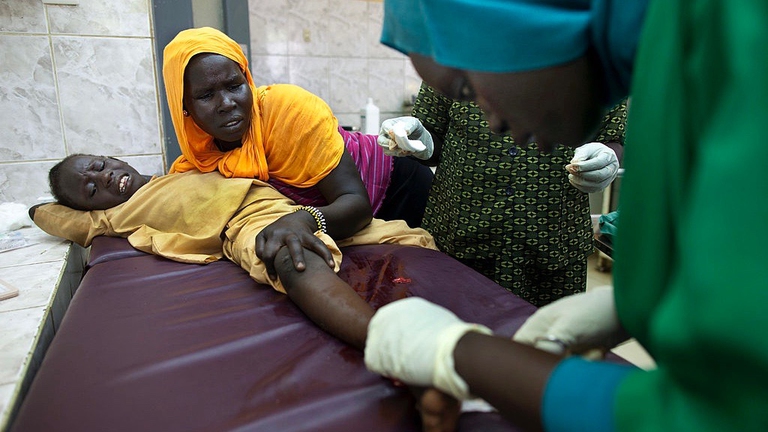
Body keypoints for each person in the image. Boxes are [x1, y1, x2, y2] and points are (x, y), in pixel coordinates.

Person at [363, 1, 768, 432]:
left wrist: (459, 355)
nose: (489, 120)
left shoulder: (737, 31)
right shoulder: (665, 48)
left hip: (550, 236)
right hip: (461, 228)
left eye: (466, 86)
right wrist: (636, 304)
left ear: (524, 22)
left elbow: (730, 411)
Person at [32, 154, 436, 350]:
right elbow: (46, 214)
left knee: (404, 235)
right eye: (90, 189)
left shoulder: (175, 171)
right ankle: (393, 345)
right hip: (240, 225)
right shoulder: (115, 217)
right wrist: (46, 205)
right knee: (288, 255)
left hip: (284, 208)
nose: (104, 177)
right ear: (89, 208)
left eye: (100, 164)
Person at [161, 27, 434, 283]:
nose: (227, 103)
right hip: (336, 212)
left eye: (234, 85)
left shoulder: (289, 112)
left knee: (425, 278)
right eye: (206, 95)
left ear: (247, 79)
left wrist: (303, 219)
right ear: (184, 106)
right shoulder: (199, 156)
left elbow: (355, 205)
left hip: (399, 186)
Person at [379, 83, 627, 306]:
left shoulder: (593, 53)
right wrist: (417, 140)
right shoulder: (455, 46)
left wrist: (608, 157)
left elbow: (614, 136)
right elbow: (432, 135)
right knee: (454, 344)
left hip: (552, 241)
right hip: (457, 238)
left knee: (544, 348)